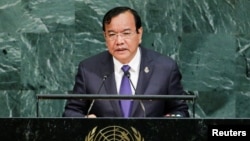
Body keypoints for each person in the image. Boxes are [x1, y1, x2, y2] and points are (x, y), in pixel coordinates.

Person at [62, 6, 190, 118]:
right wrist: (85, 120)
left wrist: (168, 122)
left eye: (126, 33)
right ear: (105, 37)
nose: (119, 41)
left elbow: (180, 111)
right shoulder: (88, 70)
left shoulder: (165, 68)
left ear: (139, 34)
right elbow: (71, 111)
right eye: (112, 34)